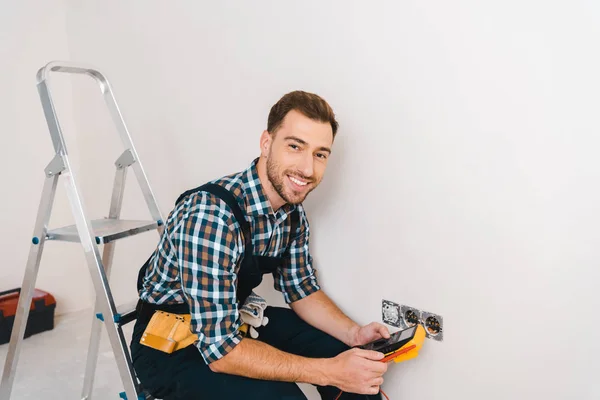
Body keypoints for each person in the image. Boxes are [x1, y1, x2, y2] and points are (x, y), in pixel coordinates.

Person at [130, 91, 390, 400]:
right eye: (295, 146)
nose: (307, 169)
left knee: (353, 363)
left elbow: (301, 289)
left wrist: (353, 334)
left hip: (234, 319)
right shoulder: (211, 216)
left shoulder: (291, 214)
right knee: (287, 396)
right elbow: (220, 351)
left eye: (320, 154)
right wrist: (329, 370)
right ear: (266, 143)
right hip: (169, 344)